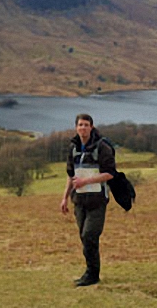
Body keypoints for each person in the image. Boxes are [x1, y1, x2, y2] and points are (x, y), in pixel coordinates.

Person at [60, 113, 115, 287]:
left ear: (91, 127)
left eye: (86, 125)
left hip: (97, 201)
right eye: (80, 125)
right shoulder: (73, 148)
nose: (83, 128)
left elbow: (110, 173)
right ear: (76, 127)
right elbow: (71, 176)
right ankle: (91, 273)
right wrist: (64, 198)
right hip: (79, 201)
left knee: (89, 235)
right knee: (85, 239)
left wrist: (87, 180)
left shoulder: (102, 147)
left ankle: (92, 275)